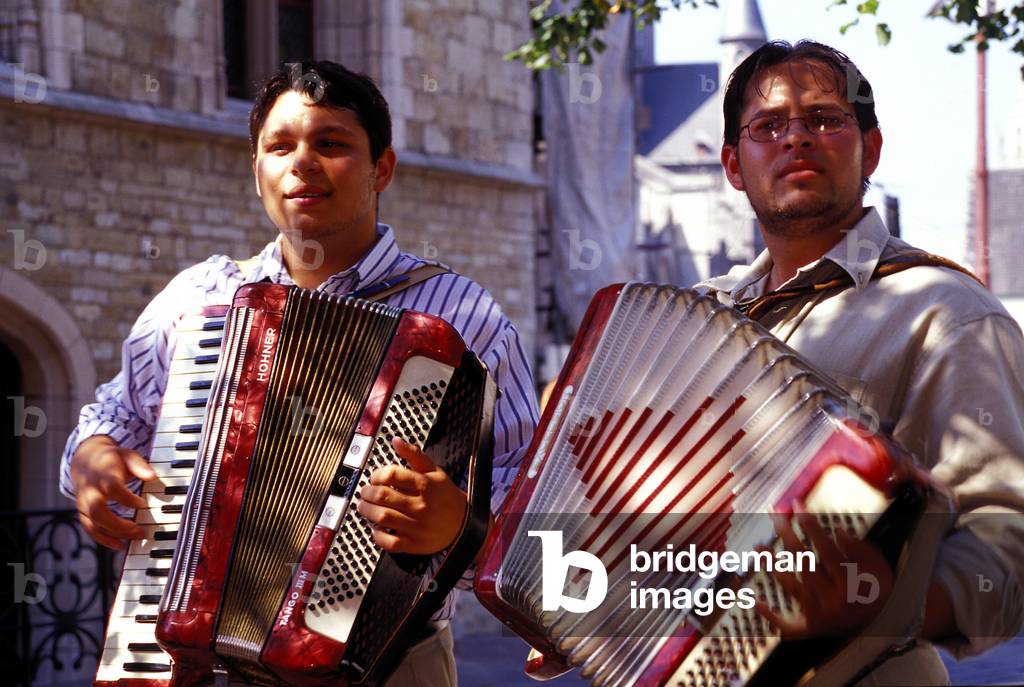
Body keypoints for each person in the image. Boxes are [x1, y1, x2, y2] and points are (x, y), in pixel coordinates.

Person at [59, 60, 540, 686]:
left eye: (332, 144)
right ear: (256, 170)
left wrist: (464, 525)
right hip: (185, 660)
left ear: (382, 170)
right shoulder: (196, 299)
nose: (303, 162)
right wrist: (92, 460)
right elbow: (110, 422)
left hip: (390, 665)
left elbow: (532, 500)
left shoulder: (463, 316)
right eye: (279, 146)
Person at [698, 39, 1024, 685]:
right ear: (734, 165)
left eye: (824, 119)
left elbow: (1009, 540)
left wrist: (879, 604)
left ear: (869, 149)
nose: (797, 139)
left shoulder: (947, 310)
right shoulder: (695, 318)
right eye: (768, 126)